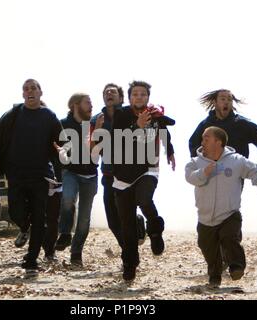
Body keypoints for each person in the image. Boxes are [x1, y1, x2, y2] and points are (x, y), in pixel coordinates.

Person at [0, 79, 63, 270]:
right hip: (16, 173)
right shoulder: (13, 115)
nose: (30, 91)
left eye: (33, 88)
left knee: (38, 217)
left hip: (41, 174)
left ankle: (31, 259)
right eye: (26, 89)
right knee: (17, 212)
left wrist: (63, 154)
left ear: (41, 93)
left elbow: (62, 142)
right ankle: (24, 227)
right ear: (23, 94)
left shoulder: (49, 116)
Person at [185, 126, 257, 289]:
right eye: (202, 138)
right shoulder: (196, 162)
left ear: (219, 141)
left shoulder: (236, 160)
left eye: (206, 138)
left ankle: (237, 267)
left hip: (229, 213)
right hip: (205, 217)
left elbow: (253, 169)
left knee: (229, 237)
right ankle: (214, 276)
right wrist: (204, 172)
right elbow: (190, 177)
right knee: (206, 246)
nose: (202, 142)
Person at [112, 80, 176, 281]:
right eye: (135, 94)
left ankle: (155, 230)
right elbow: (114, 140)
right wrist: (135, 126)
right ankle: (130, 263)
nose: (139, 97)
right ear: (129, 98)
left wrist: (170, 151)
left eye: (143, 94)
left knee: (144, 199)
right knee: (128, 225)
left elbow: (164, 130)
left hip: (148, 168)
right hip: (122, 174)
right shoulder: (121, 115)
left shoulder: (154, 114)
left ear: (148, 97)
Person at [89, 83, 146, 250]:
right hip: (108, 173)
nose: (109, 93)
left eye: (113, 92)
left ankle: (128, 253)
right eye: (105, 92)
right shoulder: (96, 119)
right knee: (113, 221)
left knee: (125, 214)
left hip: (130, 173)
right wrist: (96, 131)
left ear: (121, 98)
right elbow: (92, 150)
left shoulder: (132, 114)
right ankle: (128, 248)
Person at [54, 93, 99, 266]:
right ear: (75, 105)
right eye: (88, 102)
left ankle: (76, 252)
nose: (91, 106)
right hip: (70, 172)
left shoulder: (94, 125)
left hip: (90, 175)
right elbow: (55, 147)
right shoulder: (62, 125)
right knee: (67, 199)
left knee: (84, 220)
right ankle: (65, 233)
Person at [189, 89, 257, 175]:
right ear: (214, 102)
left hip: (234, 173)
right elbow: (193, 145)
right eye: (223, 99)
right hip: (210, 174)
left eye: (229, 99)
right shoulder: (205, 125)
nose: (226, 102)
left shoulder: (241, 124)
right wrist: (200, 164)